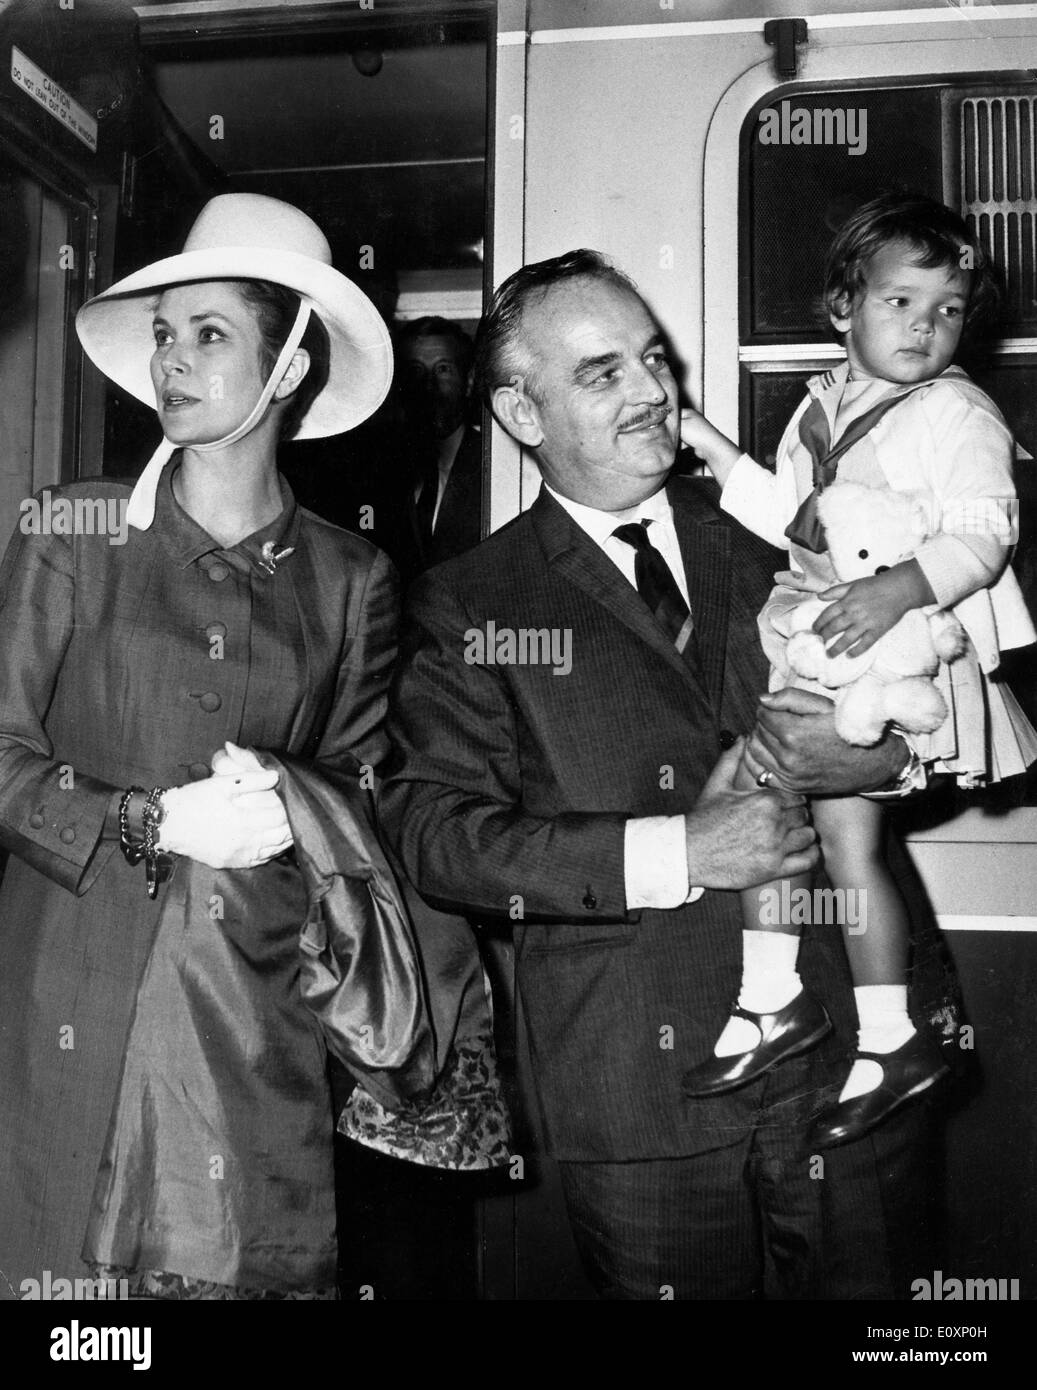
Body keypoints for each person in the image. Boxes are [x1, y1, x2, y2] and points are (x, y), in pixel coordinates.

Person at [378, 247, 939, 1300]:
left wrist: (891, 755)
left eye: (650, 358)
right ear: (520, 412)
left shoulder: (778, 533)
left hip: (851, 1055)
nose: (651, 392)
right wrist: (678, 851)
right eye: (602, 373)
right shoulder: (466, 602)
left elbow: (930, 695)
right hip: (638, 1090)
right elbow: (432, 833)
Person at [0, 193, 484, 1302]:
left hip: (249, 1027)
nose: (170, 360)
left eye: (208, 333)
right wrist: (147, 818)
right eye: (164, 334)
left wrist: (302, 800)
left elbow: (365, 802)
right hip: (70, 1002)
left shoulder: (351, 580)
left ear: (292, 365)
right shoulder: (72, 535)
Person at [679, 193, 1037, 1147]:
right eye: (900, 302)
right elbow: (790, 517)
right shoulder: (822, 402)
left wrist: (898, 591)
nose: (926, 326)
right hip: (819, 646)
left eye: (947, 308)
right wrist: (712, 448)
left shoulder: (955, 409)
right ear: (842, 307)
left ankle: (824, 1017)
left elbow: (986, 535)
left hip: (887, 649)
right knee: (786, 824)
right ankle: (830, 1020)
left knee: (823, 831)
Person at [396, 316, 482, 574]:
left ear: (468, 382)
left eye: (443, 369)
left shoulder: (493, 467)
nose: (429, 384)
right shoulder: (377, 468)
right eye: (416, 370)